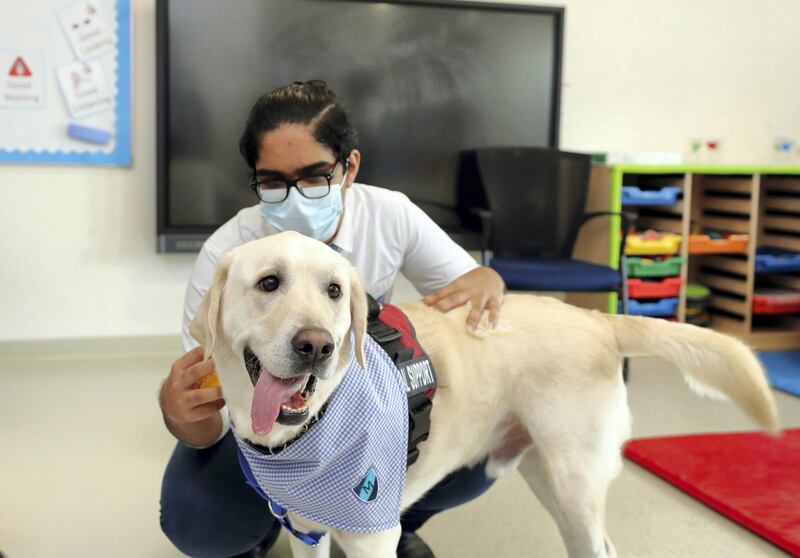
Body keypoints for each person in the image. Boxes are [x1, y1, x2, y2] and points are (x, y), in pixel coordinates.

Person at [159, 80, 505, 558]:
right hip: (257, 422)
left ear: (349, 168)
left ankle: (387, 518)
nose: (295, 194)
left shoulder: (391, 214)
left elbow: (466, 291)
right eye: (273, 180)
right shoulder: (228, 253)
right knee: (198, 518)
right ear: (255, 179)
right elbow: (209, 409)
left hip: (363, 400)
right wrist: (179, 413)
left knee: (476, 443)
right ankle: (267, 525)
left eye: (316, 175)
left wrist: (488, 278)